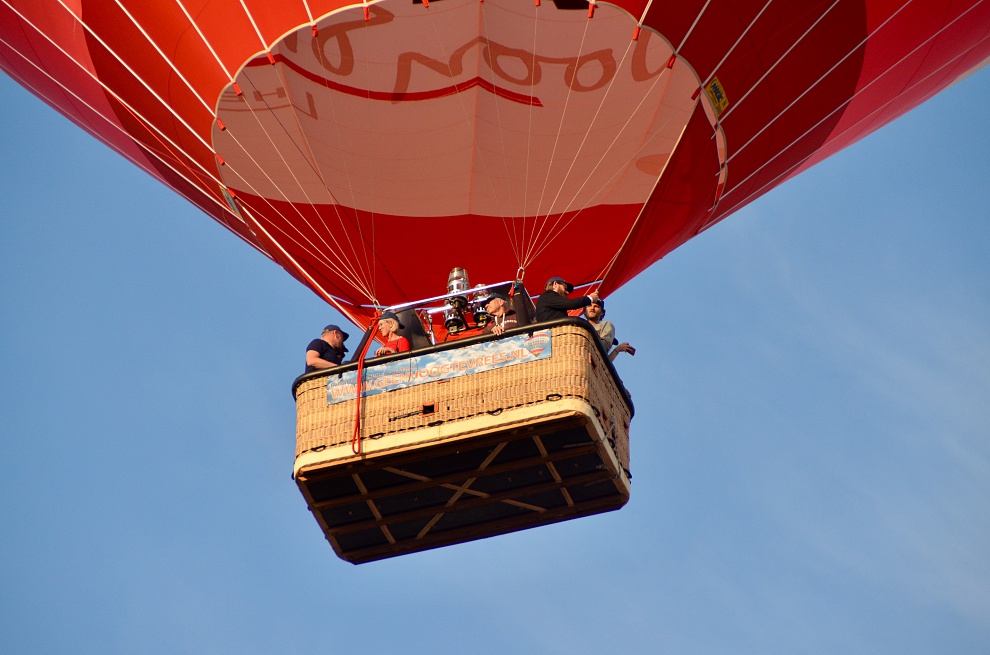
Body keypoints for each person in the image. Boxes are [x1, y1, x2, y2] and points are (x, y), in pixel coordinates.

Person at [535, 276, 600, 322]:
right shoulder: (548, 295)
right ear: (555, 284)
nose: (567, 292)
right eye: (565, 288)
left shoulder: (548, 298)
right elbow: (572, 304)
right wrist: (590, 298)